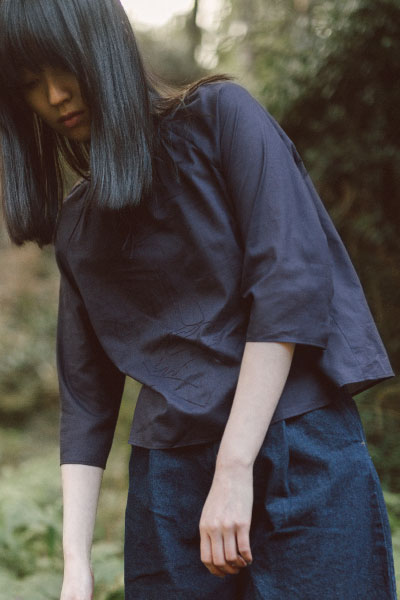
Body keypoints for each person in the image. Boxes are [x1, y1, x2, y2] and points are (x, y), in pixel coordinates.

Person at [0, 0, 397, 598]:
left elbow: (288, 285)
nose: (56, 96)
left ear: (104, 49)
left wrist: (234, 468)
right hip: (169, 488)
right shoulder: (79, 228)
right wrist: (75, 565)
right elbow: (85, 401)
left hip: (298, 450)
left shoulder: (220, 117)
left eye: (65, 67)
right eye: (31, 83)